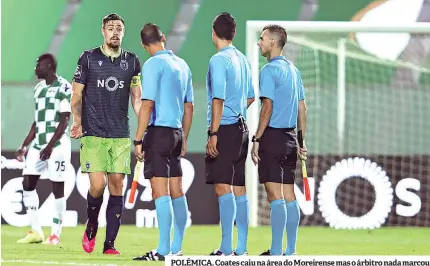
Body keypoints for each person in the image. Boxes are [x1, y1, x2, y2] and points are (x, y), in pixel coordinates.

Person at [70, 13, 142, 255]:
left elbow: (137, 99)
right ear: (103, 31)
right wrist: (78, 122)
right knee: (97, 185)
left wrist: (144, 126)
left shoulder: (132, 61)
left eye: (119, 28)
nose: (115, 32)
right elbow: (77, 96)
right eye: (110, 28)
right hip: (93, 133)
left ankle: (109, 244)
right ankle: (92, 223)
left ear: (123, 32)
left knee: (117, 185)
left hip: (120, 135)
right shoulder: (88, 58)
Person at [132, 23, 194, 261]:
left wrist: (138, 139)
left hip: (158, 134)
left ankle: (162, 250)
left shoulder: (152, 65)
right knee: (177, 190)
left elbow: (147, 105)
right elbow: (189, 107)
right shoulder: (182, 64)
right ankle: (176, 247)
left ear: (143, 45)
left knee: (160, 192)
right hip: (177, 133)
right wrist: (184, 137)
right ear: (164, 38)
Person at [251, 25, 307, 256]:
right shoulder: (294, 70)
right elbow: (302, 108)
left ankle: (275, 251)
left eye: (262, 39)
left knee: (275, 197)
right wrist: (302, 141)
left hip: (273, 137)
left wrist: (256, 138)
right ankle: (290, 250)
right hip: (291, 138)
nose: (259, 43)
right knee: (290, 195)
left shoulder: (269, 71)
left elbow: (267, 107)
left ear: (273, 42)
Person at [205, 12, 255, 256]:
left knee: (223, 188)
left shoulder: (218, 60)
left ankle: (225, 248)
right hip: (242, 129)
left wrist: (213, 132)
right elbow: (251, 95)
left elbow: (218, 99)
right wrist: (239, 111)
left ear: (214, 33)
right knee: (239, 188)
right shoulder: (243, 59)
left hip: (225, 129)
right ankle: (241, 248)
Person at [15, 53, 72, 245]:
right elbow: (37, 122)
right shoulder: (38, 89)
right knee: (27, 184)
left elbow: (64, 119)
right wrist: (24, 145)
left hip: (57, 145)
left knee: (58, 188)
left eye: (38, 65)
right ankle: (36, 232)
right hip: (39, 145)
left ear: (48, 66)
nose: (35, 68)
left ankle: (55, 234)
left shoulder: (63, 87)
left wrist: (50, 146)